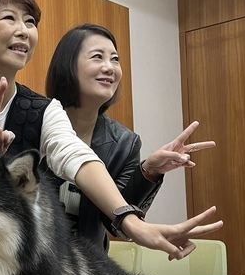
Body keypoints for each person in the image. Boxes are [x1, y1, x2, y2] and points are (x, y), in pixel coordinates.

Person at [0, 0, 222, 259]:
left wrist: (133, 223)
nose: (24, 31)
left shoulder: (44, 109)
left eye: (30, 21)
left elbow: (75, 155)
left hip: (32, 266)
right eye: (9, 18)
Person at [45, 23, 216, 249]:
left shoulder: (124, 142)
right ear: (67, 66)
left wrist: (149, 171)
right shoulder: (35, 121)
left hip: (87, 270)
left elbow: (117, 223)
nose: (110, 68)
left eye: (115, 59)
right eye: (97, 57)